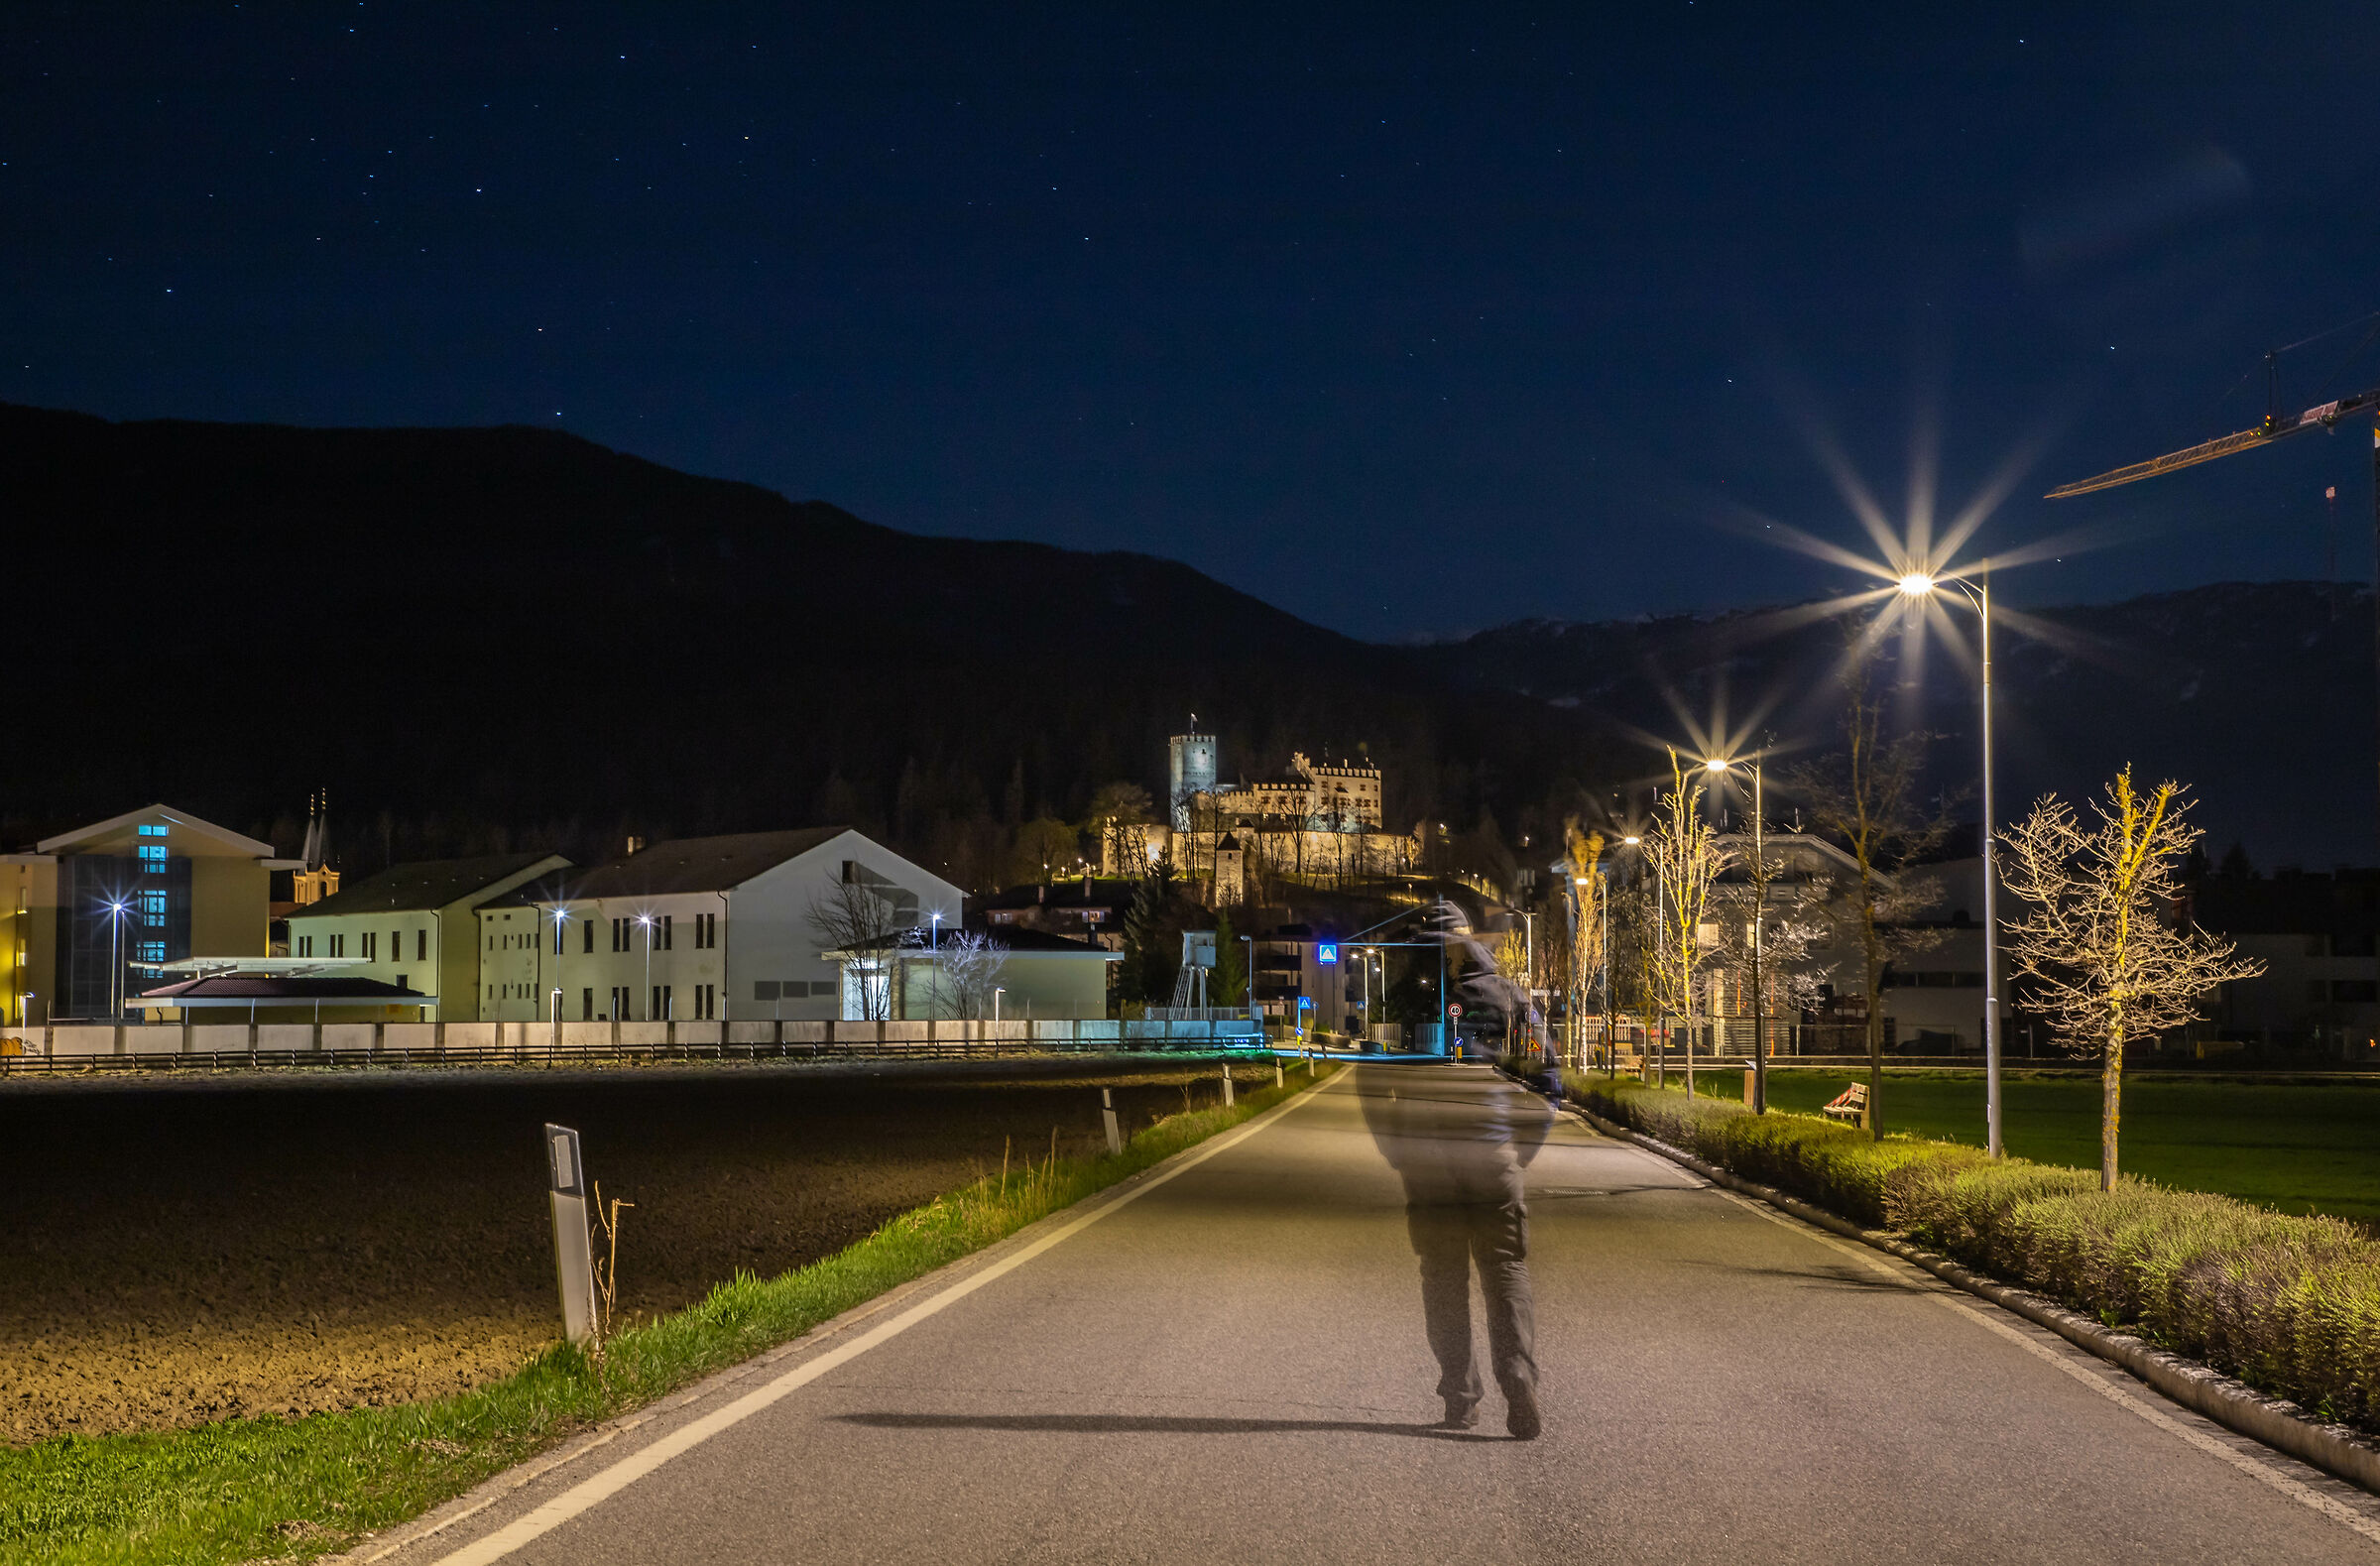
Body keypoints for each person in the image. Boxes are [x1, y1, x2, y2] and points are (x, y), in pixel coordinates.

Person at [1361, 1065, 1553, 1439]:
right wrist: (1523, 1149)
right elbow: (1546, 1077)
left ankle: (1460, 1396)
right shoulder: (1511, 1003)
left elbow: (1371, 1077)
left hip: (1426, 1163)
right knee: (1504, 1264)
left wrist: (1397, 1149)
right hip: (1493, 1155)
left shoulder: (1408, 1007)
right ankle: (1516, 1370)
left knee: (1442, 1274)